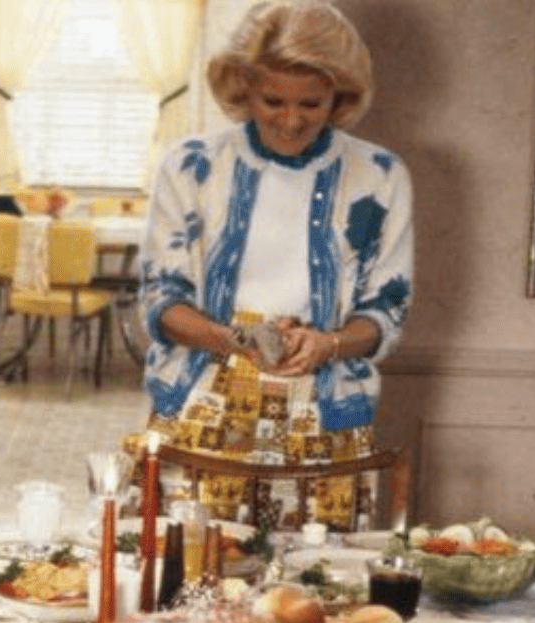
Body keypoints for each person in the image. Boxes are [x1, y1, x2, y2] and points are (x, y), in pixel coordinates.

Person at [137, 0, 413, 527]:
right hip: (199, 404)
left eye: (311, 104)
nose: (290, 121)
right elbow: (160, 300)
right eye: (272, 100)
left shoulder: (381, 176)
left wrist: (327, 343)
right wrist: (237, 341)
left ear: (340, 94)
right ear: (242, 85)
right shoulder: (190, 167)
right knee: (183, 584)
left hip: (325, 410)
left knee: (317, 593)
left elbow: (387, 312)